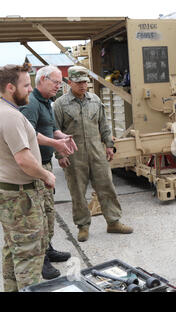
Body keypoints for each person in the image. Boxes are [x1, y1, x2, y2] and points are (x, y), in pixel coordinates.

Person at [53, 66, 133, 242]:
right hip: (74, 155)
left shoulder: (95, 100)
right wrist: (60, 154)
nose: (83, 86)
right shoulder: (60, 104)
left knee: (106, 187)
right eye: (79, 82)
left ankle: (113, 222)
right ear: (70, 82)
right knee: (78, 192)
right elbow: (55, 130)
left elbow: (104, 125)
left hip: (97, 152)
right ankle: (83, 226)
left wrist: (109, 145)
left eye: (85, 82)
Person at [0, 63, 56, 291]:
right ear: (11, 88)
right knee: (29, 256)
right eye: (26, 85)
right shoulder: (11, 116)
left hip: (9, 192)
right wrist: (46, 175)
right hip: (21, 197)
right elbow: (23, 160)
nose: (31, 90)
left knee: (13, 249)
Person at [20, 65, 77, 280]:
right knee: (40, 214)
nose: (58, 86)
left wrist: (62, 138)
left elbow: (50, 128)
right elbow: (28, 134)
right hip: (35, 166)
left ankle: (48, 248)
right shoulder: (32, 103)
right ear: (42, 79)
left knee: (48, 211)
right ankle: (41, 259)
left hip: (46, 162)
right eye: (55, 81)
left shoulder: (47, 102)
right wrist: (55, 142)